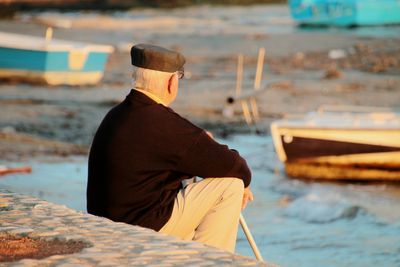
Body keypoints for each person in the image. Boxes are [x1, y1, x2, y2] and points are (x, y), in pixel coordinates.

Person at [87, 44, 253, 253]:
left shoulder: (116, 114)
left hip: (105, 225)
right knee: (231, 186)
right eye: (179, 77)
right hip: (138, 230)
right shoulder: (164, 124)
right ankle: (210, 261)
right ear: (171, 82)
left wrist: (201, 151)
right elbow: (236, 167)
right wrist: (243, 183)